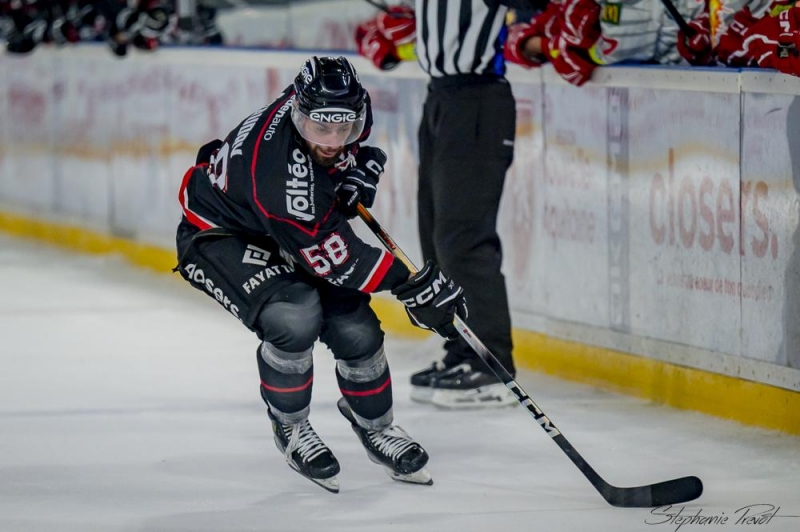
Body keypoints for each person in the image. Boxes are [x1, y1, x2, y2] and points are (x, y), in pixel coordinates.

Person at [174, 55, 467, 493]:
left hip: (278, 227)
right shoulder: (278, 176)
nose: (332, 140)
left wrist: (359, 170)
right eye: (320, 130)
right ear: (297, 112)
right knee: (295, 317)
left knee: (357, 330)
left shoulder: (324, 108)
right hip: (221, 235)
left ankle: (376, 426)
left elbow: (351, 158)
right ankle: (289, 426)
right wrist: (413, 285)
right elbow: (339, 259)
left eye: (343, 129)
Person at [357, 1, 550, 409]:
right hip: (442, 98)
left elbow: (536, 7)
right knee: (436, 237)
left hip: (477, 100)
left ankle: (491, 364)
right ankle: (464, 352)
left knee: (462, 237)